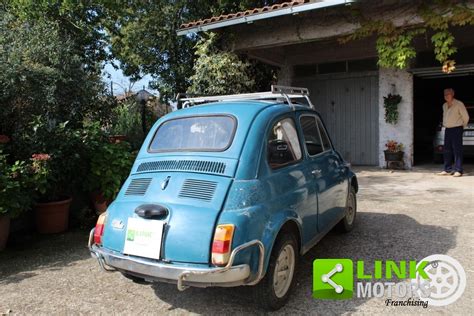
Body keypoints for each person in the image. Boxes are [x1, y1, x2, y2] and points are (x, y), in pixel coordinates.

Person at [437, 88, 469, 177]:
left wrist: (462, 126)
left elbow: (466, 117)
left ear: (453, 94)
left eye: (448, 94)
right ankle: (447, 169)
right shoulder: (444, 105)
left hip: (457, 129)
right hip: (448, 129)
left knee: (457, 150)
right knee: (447, 150)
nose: (446, 96)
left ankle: (458, 170)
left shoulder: (459, 104)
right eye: (445, 94)